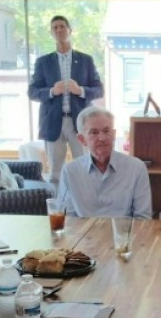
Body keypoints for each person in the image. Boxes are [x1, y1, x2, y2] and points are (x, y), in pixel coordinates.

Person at [27, 15, 104, 189]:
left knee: (86, 169)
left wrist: (81, 91)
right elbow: (32, 92)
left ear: (70, 30)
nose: (59, 30)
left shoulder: (86, 60)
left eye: (62, 26)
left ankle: (86, 210)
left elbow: (99, 89)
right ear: (51, 33)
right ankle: (57, 211)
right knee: (54, 173)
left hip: (81, 123)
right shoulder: (43, 62)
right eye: (55, 27)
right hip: (53, 123)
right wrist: (52, 91)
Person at [57, 106, 152, 219]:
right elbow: (67, 217)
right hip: (85, 235)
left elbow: (142, 219)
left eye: (106, 131)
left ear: (114, 134)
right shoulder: (70, 171)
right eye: (94, 132)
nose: (102, 138)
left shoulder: (136, 168)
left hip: (123, 234)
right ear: (82, 139)